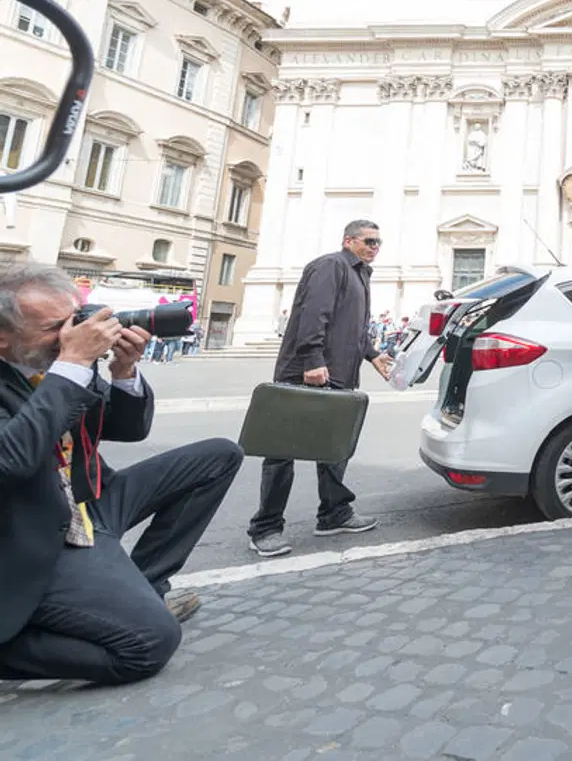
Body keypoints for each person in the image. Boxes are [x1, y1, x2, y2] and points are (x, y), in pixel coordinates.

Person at [0, 265, 242, 684]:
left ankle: (146, 586)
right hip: (35, 528)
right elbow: (12, 458)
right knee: (150, 644)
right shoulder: (65, 363)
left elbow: (127, 430)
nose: (72, 335)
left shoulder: (57, 364)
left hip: (91, 499)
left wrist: (124, 372)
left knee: (219, 457)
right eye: (56, 327)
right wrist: (72, 362)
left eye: (75, 321)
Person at [247, 219, 394, 558]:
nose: (375, 247)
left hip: (339, 375)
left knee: (334, 448)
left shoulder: (360, 273)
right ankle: (265, 528)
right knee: (281, 451)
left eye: (378, 242)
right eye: (369, 241)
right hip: (307, 372)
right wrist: (312, 358)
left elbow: (351, 325)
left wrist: (372, 355)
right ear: (349, 241)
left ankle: (334, 514)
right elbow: (314, 314)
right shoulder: (331, 265)